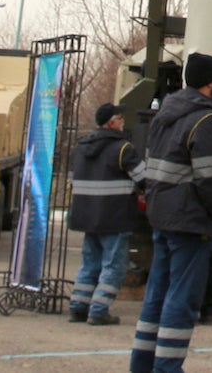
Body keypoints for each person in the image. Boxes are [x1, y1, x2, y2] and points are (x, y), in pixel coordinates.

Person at [131, 52, 212, 373]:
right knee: (182, 300)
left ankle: (142, 365)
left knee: (156, 295)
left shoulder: (166, 114)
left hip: (162, 216)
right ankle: (168, 368)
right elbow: (209, 177)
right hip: (190, 219)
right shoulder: (206, 120)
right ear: (211, 82)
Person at [68, 101, 144, 326]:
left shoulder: (81, 147)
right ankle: (99, 309)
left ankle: (78, 306)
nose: (123, 124)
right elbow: (144, 178)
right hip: (115, 216)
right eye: (120, 119)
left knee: (89, 263)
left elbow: (74, 179)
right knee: (114, 266)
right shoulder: (123, 148)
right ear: (112, 123)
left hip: (87, 216)